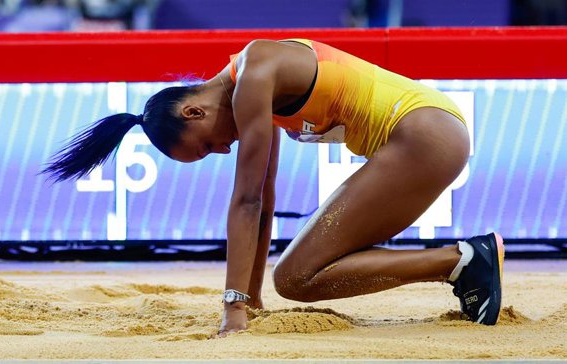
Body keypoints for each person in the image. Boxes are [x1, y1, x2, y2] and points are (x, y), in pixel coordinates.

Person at [43, 38, 504, 334]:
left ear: (193, 112)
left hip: (423, 135)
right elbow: (264, 203)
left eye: (204, 148)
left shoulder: (256, 72)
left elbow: (245, 201)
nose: (221, 153)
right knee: (297, 276)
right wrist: (252, 296)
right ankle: (464, 265)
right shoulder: (254, 89)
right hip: (425, 133)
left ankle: (461, 262)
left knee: (296, 278)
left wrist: (233, 308)